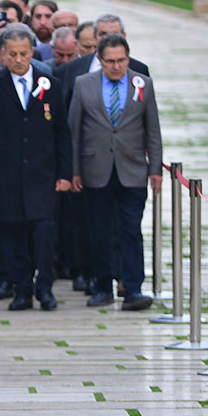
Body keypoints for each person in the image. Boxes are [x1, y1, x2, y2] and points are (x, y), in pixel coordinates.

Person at [69, 33, 162, 310]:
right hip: (95, 168)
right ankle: (102, 286)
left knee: (131, 229)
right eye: (110, 61)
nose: (116, 66)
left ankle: (133, 288)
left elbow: (153, 130)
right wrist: (74, 170)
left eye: (122, 60)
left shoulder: (142, 84)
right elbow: (75, 131)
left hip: (132, 169)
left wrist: (155, 168)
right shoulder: (84, 84)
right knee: (99, 230)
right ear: (100, 60)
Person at [0, 24, 70, 311]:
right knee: (12, 234)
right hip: (6, 178)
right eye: (13, 54)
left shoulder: (50, 85)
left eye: (24, 53)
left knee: (45, 234)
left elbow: (62, 133)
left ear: (33, 52)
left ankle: (45, 287)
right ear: (3, 54)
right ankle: (22, 289)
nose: (19, 59)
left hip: (42, 177)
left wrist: (64, 174)